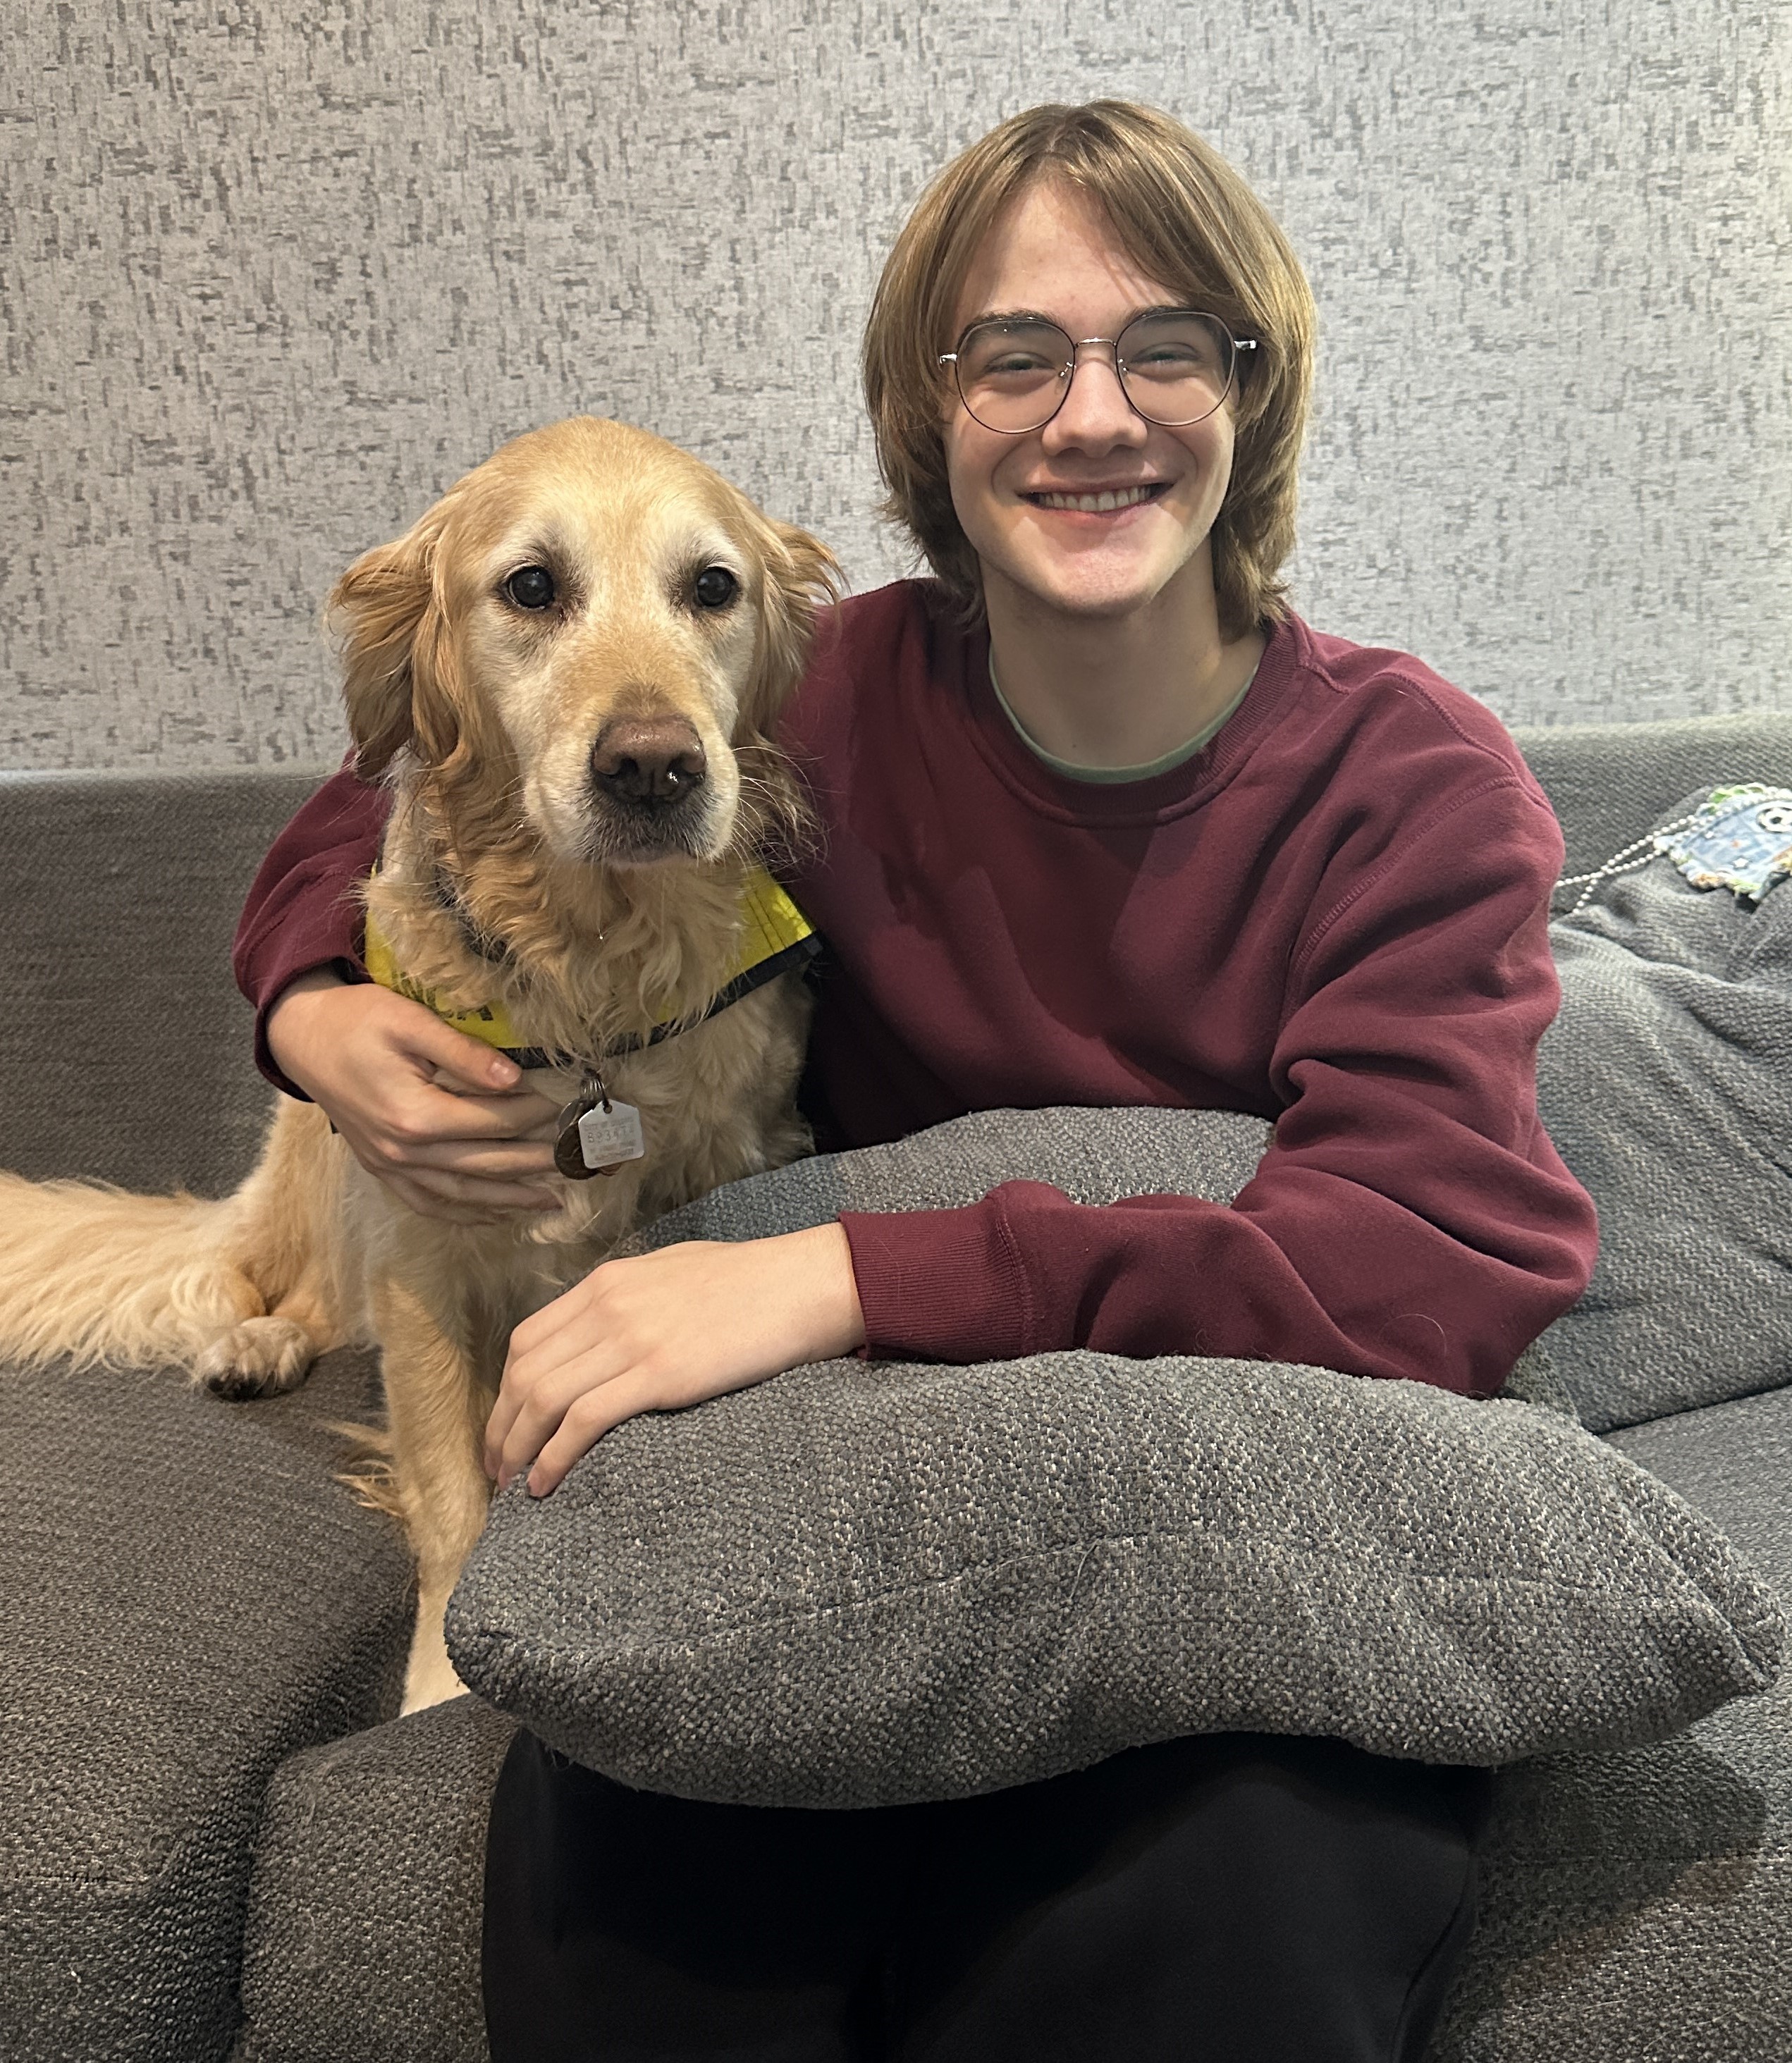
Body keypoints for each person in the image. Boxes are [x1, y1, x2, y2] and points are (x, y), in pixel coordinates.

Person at [234, 100, 1597, 2063]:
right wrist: (307, 1006)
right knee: (628, 1879)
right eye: (1013, 353)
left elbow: (1425, 1257)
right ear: (927, 411)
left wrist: (848, 1272)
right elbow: (411, 780)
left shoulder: (1419, 791)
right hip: (860, 1503)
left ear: (1253, 387)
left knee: (1209, 1914)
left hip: (1243, 1513)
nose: (1090, 413)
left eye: (1166, 344)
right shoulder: (824, 692)